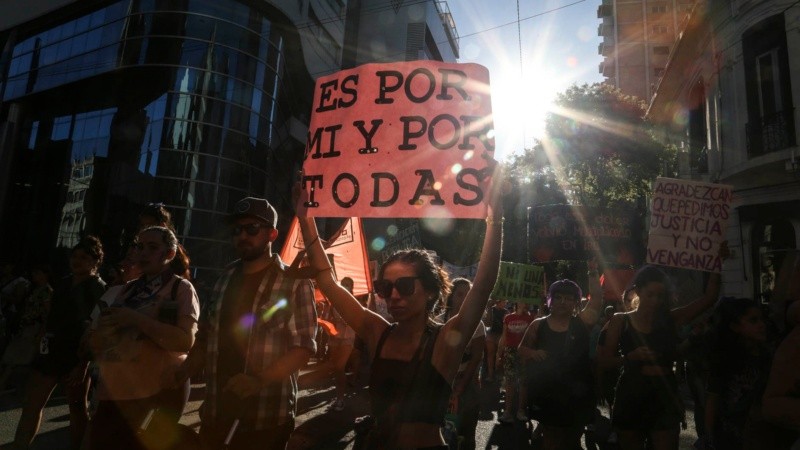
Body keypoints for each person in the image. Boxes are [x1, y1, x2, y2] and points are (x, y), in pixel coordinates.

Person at [296, 166, 503, 449]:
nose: (393, 295)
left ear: (430, 291)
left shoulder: (444, 342)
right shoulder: (376, 331)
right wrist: (306, 220)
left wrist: (495, 218)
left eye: (405, 286)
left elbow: (483, 284)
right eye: (384, 288)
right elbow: (328, 282)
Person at [178, 197, 317, 450]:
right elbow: (207, 335)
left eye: (252, 228)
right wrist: (183, 371)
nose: (243, 235)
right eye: (237, 230)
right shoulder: (224, 278)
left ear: (272, 234)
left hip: (266, 418)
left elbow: (303, 348)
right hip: (216, 411)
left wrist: (258, 381)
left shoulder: (294, 282)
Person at [597, 250, 726, 450]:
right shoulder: (620, 320)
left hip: (665, 394)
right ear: (638, 291)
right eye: (651, 295)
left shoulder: (670, 318)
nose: (656, 301)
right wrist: (630, 357)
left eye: (661, 295)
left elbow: (709, 298)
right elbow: (603, 362)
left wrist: (716, 264)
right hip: (632, 392)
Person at [85, 226, 200, 450]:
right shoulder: (124, 290)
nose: (143, 253)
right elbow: (96, 342)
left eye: (152, 247)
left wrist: (135, 319)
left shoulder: (180, 289)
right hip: (112, 394)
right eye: (139, 246)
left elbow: (185, 340)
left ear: (169, 254)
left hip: (154, 394)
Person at [13, 236, 106, 450]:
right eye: (74, 256)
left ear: (95, 261)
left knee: (76, 407)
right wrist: (41, 340)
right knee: (32, 404)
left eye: (83, 257)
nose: (77, 260)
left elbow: (95, 329)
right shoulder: (64, 282)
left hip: (76, 353)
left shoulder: (98, 288)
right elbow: (50, 315)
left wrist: (82, 363)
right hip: (51, 350)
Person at [518, 272, 602, 450]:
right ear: (551, 300)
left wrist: (593, 271)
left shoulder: (582, 323)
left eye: (569, 298)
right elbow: (521, 349)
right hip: (548, 393)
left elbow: (596, 300)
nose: (563, 302)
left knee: (572, 440)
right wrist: (533, 353)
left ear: (575, 302)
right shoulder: (538, 324)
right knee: (551, 440)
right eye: (559, 297)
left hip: (577, 393)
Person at [703, 297, 770, 450]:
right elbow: (713, 398)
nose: (761, 325)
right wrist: (709, 436)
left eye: (761, 319)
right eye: (753, 321)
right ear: (735, 326)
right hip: (730, 433)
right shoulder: (726, 359)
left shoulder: (768, 357)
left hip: (760, 432)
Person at [435, 277, 485, 450]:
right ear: (451, 296)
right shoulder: (439, 321)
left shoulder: (477, 324)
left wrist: (460, 388)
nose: (464, 299)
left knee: (466, 434)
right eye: (460, 294)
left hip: (467, 385)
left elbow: (477, 357)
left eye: (468, 294)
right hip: (440, 384)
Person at [0, 265, 52, 389]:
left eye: (37, 273)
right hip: (27, 327)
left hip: (34, 328)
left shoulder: (46, 291)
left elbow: (47, 313)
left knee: (18, 357)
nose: (34, 276)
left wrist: (41, 332)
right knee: (16, 356)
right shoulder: (35, 289)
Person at [497, 301, 534, 423]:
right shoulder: (508, 317)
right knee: (510, 381)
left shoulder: (530, 318)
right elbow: (504, 336)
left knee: (524, 381)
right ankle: (508, 411)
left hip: (523, 351)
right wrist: (499, 353)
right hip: (510, 351)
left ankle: (521, 410)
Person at [139, 202, 192, 280]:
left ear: (162, 225)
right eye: (142, 226)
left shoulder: (174, 253)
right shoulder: (138, 245)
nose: (144, 229)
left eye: (149, 225)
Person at [327, 277, 357, 411]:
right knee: (336, 368)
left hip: (348, 337)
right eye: (343, 284)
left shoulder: (355, 302)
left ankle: (341, 399)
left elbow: (358, 320)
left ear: (352, 287)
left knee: (340, 367)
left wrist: (349, 321)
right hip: (335, 337)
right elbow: (327, 317)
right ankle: (338, 396)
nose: (345, 286)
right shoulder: (334, 301)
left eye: (348, 285)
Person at [484, 298, 508, 383]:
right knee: (491, 354)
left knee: (500, 355)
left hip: (501, 334)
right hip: (491, 333)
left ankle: (499, 374)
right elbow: (487, 322)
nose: (505, 303)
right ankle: (490, 375)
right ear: (499, 301)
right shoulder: (491, 309)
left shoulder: (506, 312)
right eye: (504, 301)